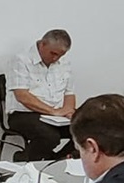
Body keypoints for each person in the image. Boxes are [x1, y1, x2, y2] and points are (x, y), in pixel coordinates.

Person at [6, 29, 77, 160]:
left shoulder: (64, 63)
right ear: (42, 44)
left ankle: (56, 160)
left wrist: (69, 111)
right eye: (53, 53)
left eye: (60, 55)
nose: (56, 58)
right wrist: (53, 111)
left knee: (88, 129)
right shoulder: (20, 60)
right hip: (24, 114)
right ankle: (24, 161)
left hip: (57, 115)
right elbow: (22, 95)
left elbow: (69, 93)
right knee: (49, 136)